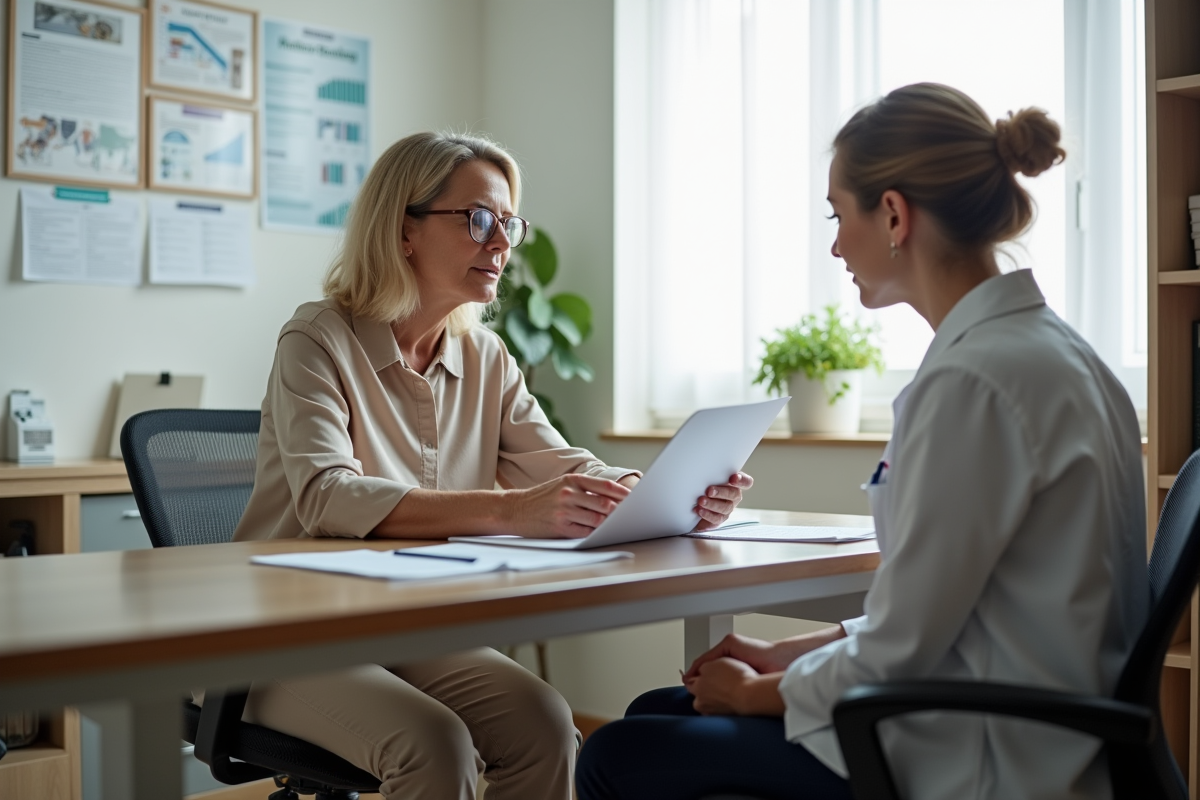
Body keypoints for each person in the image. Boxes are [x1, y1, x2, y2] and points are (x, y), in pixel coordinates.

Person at [576, 83, 1149, 800]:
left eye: (837, 213)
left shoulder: (976, 383)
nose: (835, 243)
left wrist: (760, 693)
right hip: (1008, 714)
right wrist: (785, 651)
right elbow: (939, 607)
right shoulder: (1057, 354)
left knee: (617, 753)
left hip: (980, 756)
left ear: (894, 214)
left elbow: (903, 646)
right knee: (661, 713)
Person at [228, 131, 754, 800]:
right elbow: (328, 497)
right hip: (283, 636)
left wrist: (665, 492)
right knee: (433, 744)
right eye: (478, 219)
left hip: (406, 628)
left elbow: (562, 463)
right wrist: (515, 508)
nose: (501, 242)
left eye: (509, 223)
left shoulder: (485, 356)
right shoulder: (318, 338)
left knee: (545, 723)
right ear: (403, 230)